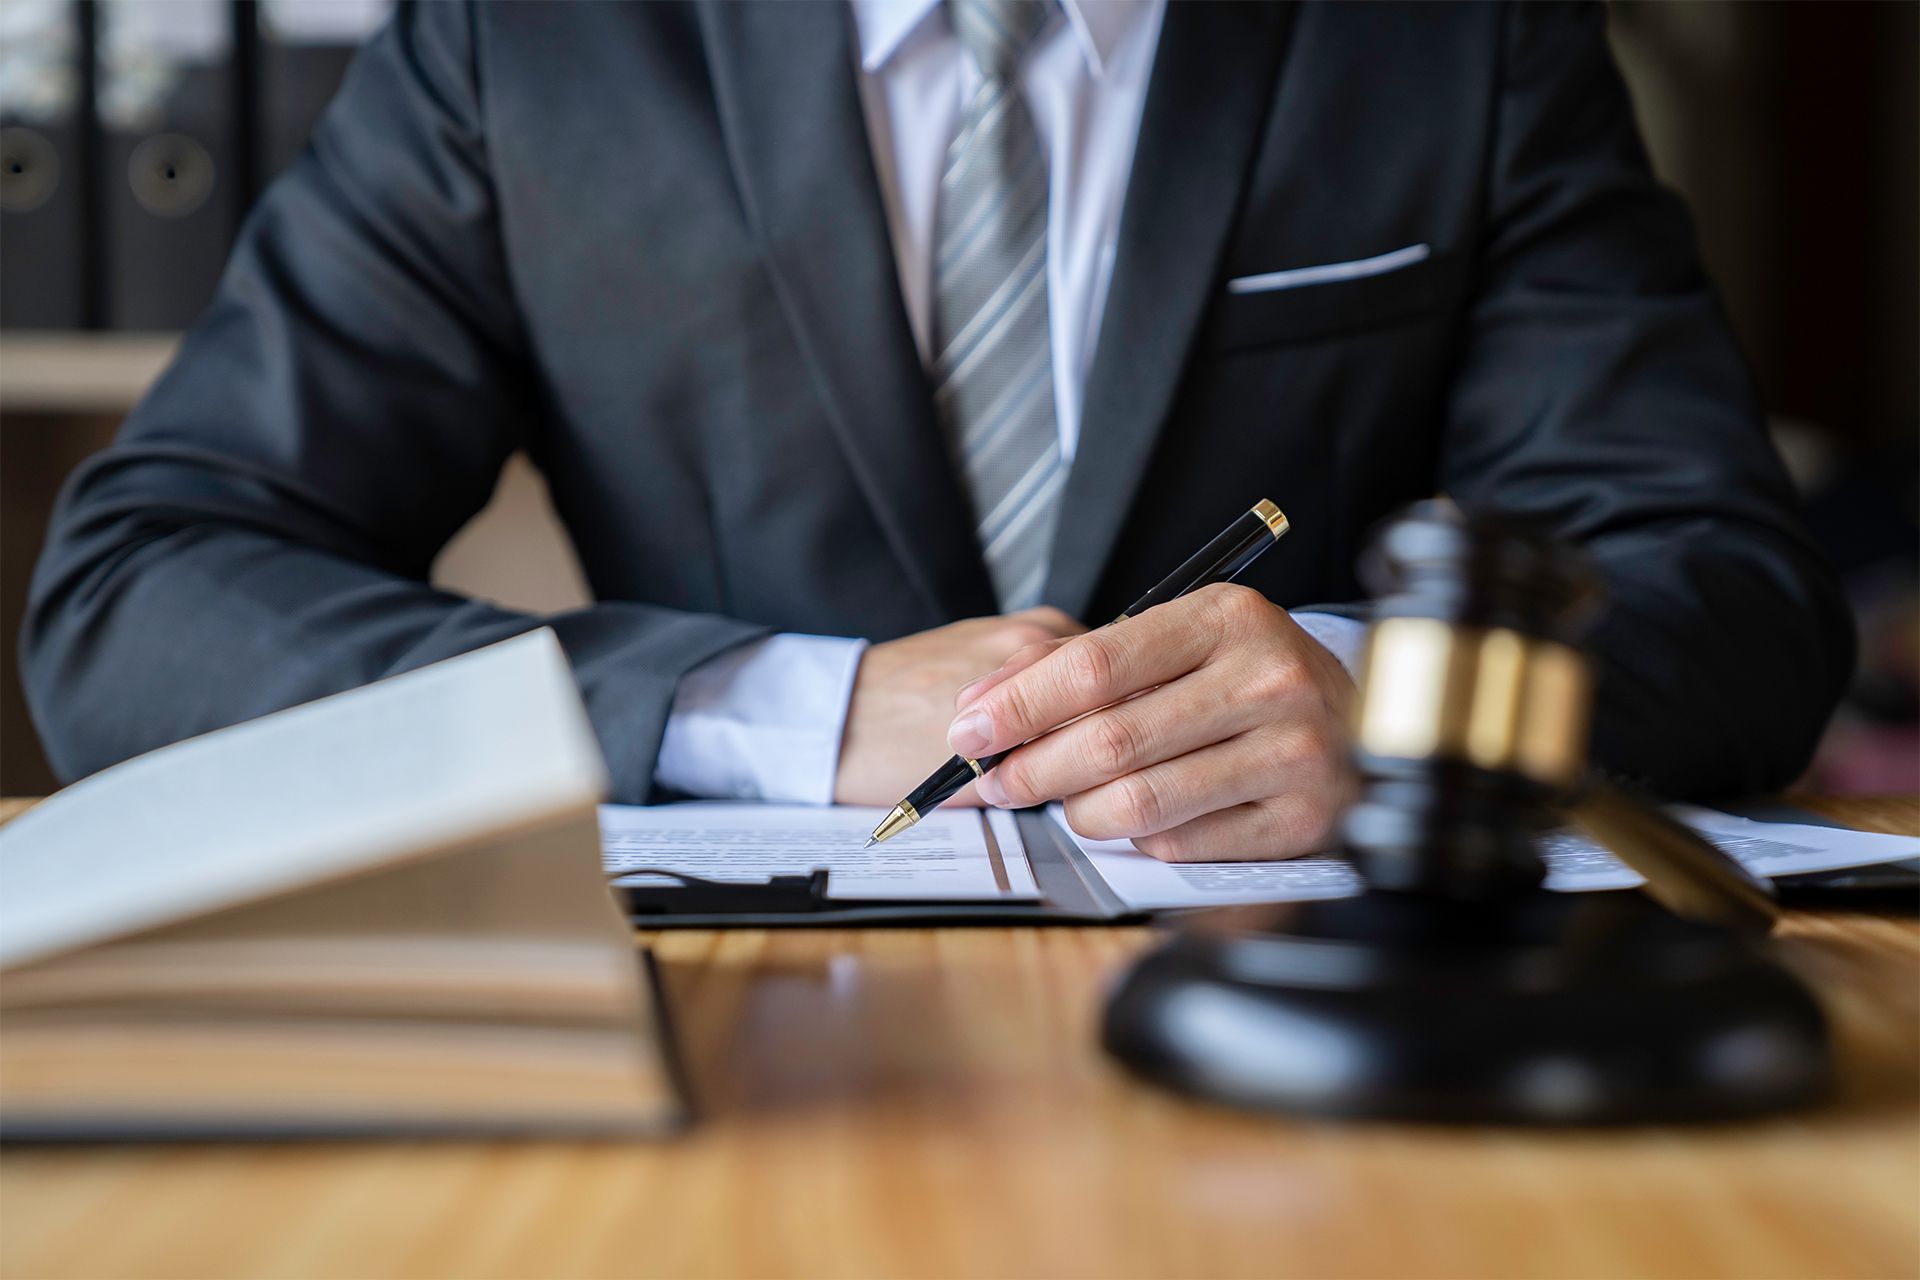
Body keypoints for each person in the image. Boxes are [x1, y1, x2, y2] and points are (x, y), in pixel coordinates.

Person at [22, 0, 1852, 861]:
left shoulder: (1459, 39)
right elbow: (138, 600)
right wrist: (776, 712)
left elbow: (1737, 598)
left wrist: (1384, 702)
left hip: (1340, 1032)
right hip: (749, 1056)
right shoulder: (527, 45)